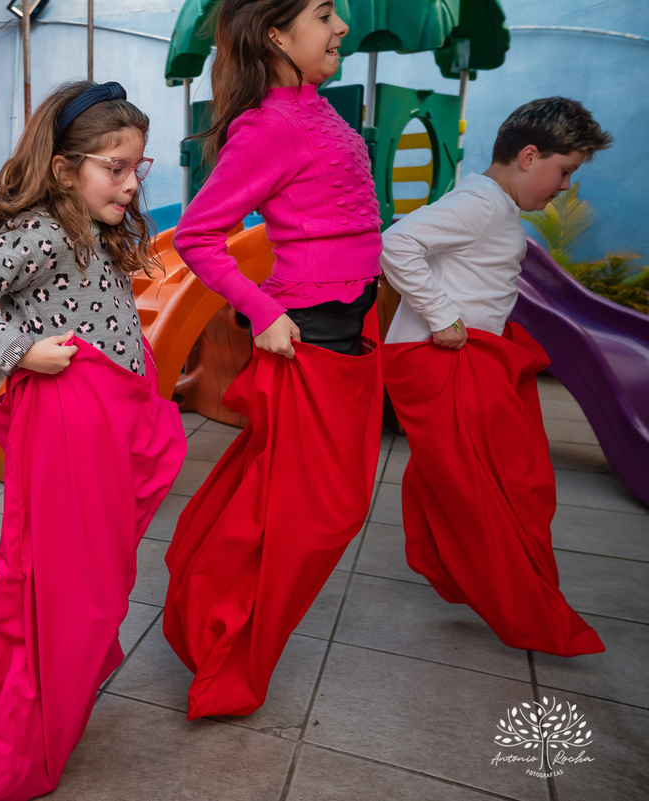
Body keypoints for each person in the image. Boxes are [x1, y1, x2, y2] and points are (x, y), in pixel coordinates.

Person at [0, 80, 186, 801]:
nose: (131, 184)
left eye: (139, 167)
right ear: (67, 168)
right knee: (70, 585)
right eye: (115, 167)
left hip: (102, 412)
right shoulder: (43, 231)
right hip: (72, 416)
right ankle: (19, 746)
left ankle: (33, 704)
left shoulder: (85, 230)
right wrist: (19, 348)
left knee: (79, 580)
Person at [162, 0, 384, 719]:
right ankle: (222, 643)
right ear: (277, 34)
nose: (341, 26)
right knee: (309, 515)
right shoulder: (268, 125)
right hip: (308, 336)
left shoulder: (315, 110)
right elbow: (197, 236)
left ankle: (217, 624)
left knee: (301, 508)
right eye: (325, 13)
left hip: (349, 330)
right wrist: (263, 312)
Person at [380, 97, 611, 656]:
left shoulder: (494, 206)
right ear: (529, 156)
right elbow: (397, 242)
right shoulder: (482, 203)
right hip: (443, 361)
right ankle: (527, 607)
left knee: (507, 480)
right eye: (565, 172)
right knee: (497, 487)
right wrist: (443, 316)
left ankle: (473, 573)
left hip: (465, 358)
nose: (564, 188)